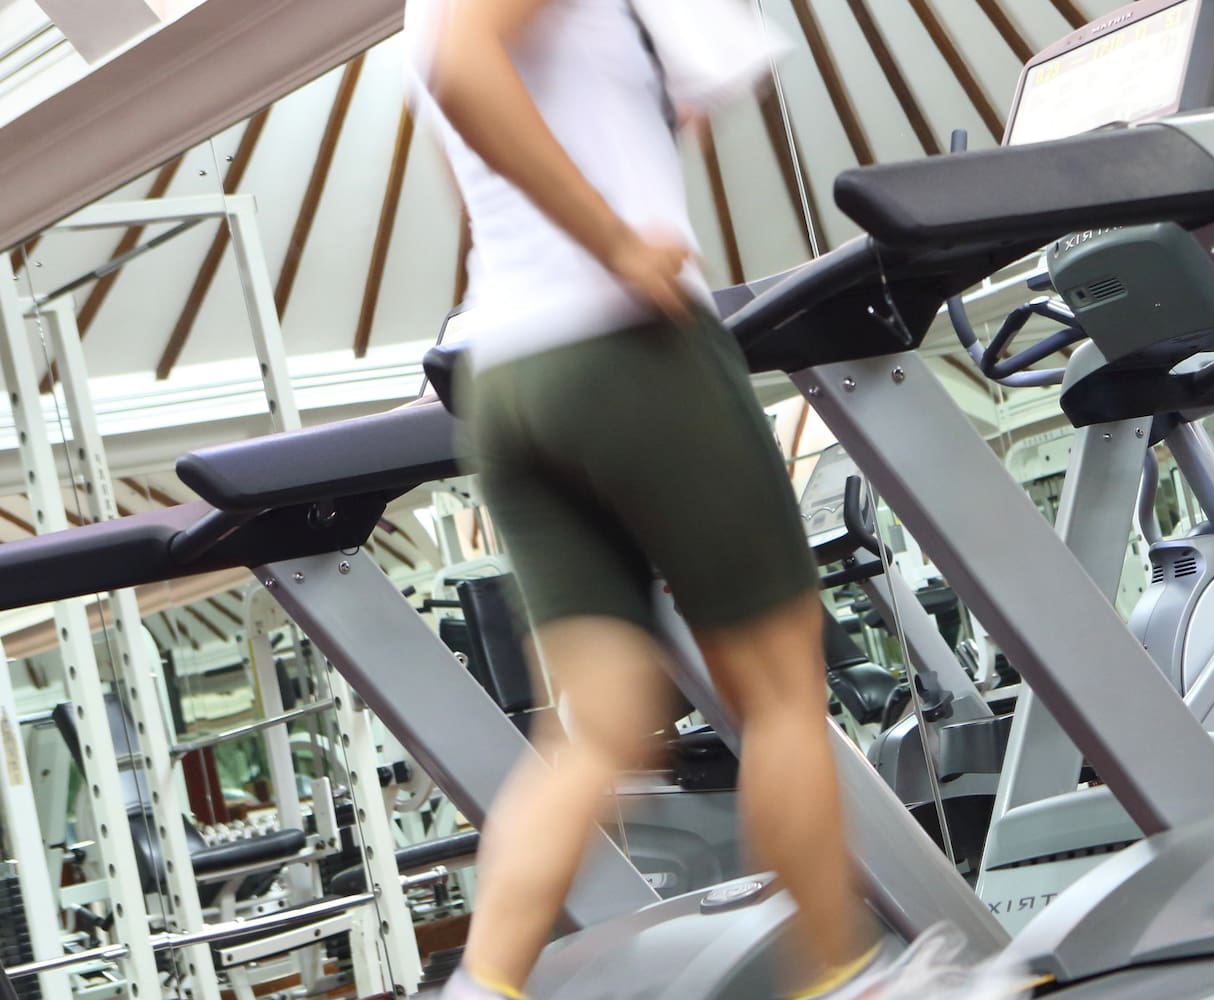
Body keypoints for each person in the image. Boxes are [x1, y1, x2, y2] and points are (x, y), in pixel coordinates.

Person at [404, 1, 981, 996]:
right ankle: (845, 977)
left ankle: (480, 989)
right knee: (781, 691)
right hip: (625, 347)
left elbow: (502, 103)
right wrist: (616, 239)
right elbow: (467, 68)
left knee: (595, 727)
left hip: (506, 377)